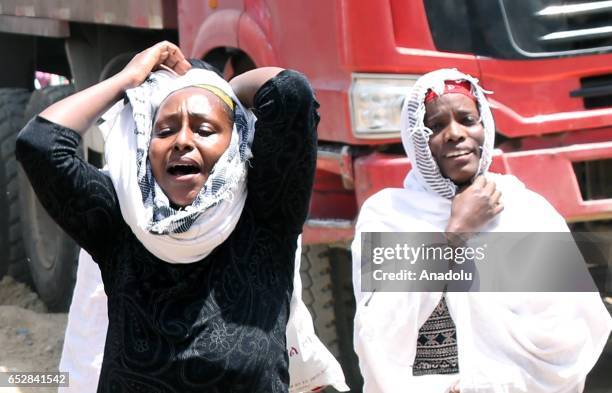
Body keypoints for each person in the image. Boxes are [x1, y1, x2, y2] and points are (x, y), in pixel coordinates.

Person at [16, 41, 319, 392]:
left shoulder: (265, 219)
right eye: (164, 131)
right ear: (144, 147)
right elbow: (40, 144)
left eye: (205, 130)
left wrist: (218, 89)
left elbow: (291, 94)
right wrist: (126, 80)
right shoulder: (121, 226)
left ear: (234, 144)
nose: (182, 141)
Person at [351, 68, 612, 393]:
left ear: (484, 127)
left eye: (467, 120)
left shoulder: (525, 209)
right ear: (414, 138)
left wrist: (493, 381)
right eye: (435, 126)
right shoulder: (390, 215)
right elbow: (381, 330)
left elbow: (574, 321)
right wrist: (456, 232)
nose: (455, 134)